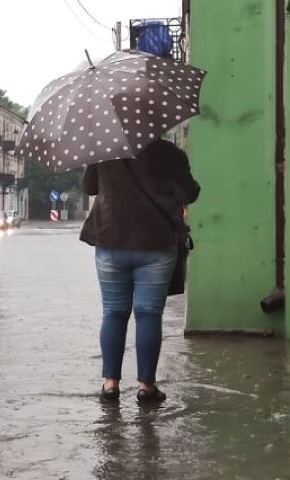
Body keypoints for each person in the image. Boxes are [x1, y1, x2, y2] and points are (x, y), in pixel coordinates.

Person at [80, 138, 200, 404]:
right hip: (156, 242)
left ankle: (110, 384)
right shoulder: (170, 152)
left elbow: (89, 187)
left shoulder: (103, 150)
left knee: (113, 312)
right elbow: (188, 194)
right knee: (148, 314)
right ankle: (146, 387)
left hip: (111, 240)